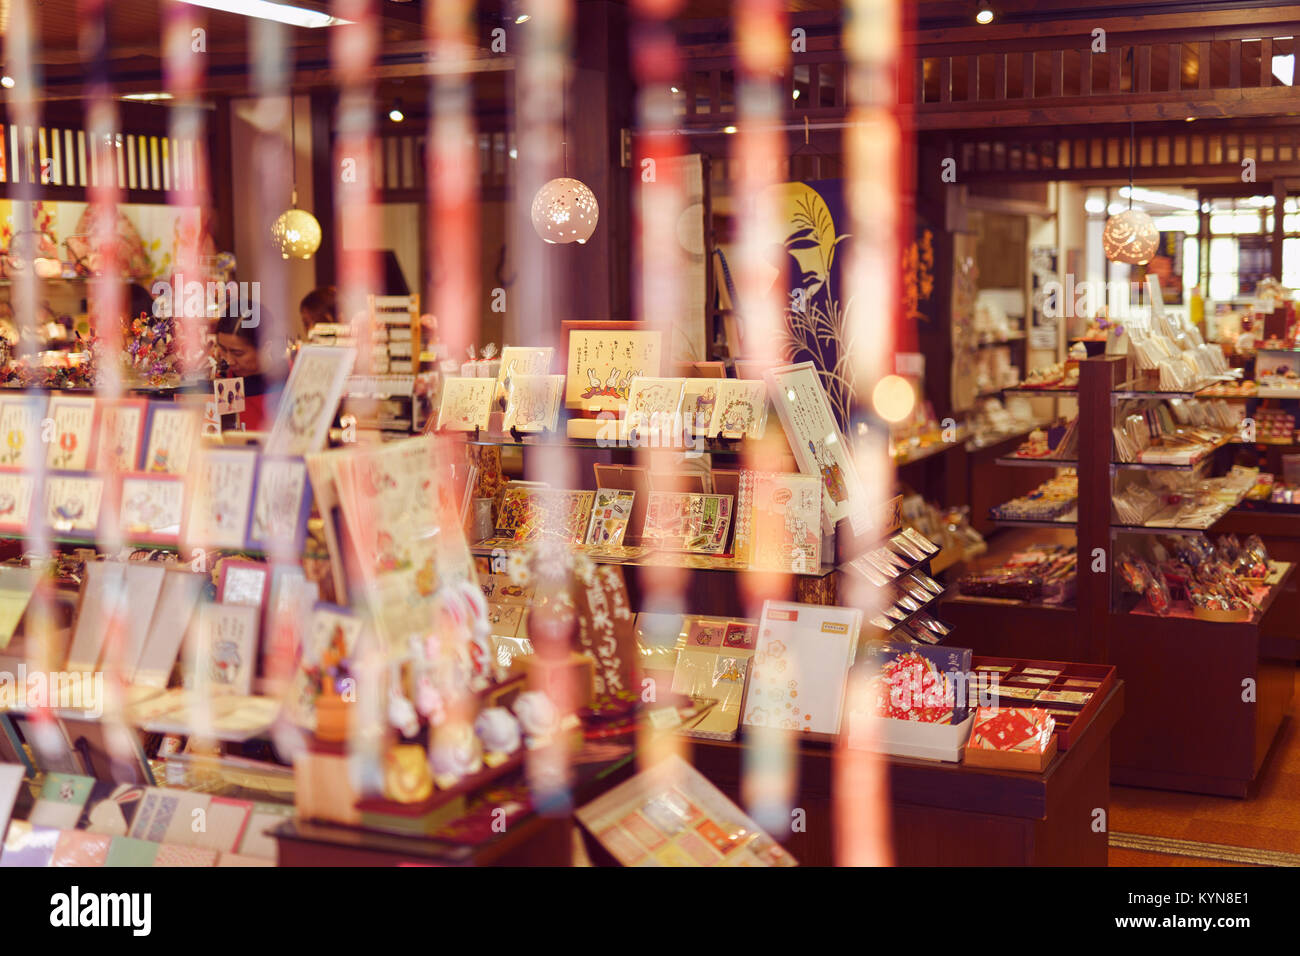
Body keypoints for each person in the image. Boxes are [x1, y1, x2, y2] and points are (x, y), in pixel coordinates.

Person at [214, 312, 281, 432]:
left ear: (266, 347)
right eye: (223, 349)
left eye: (238, 353)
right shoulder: (224, 384)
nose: (229, 361)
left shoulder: (287, 382)